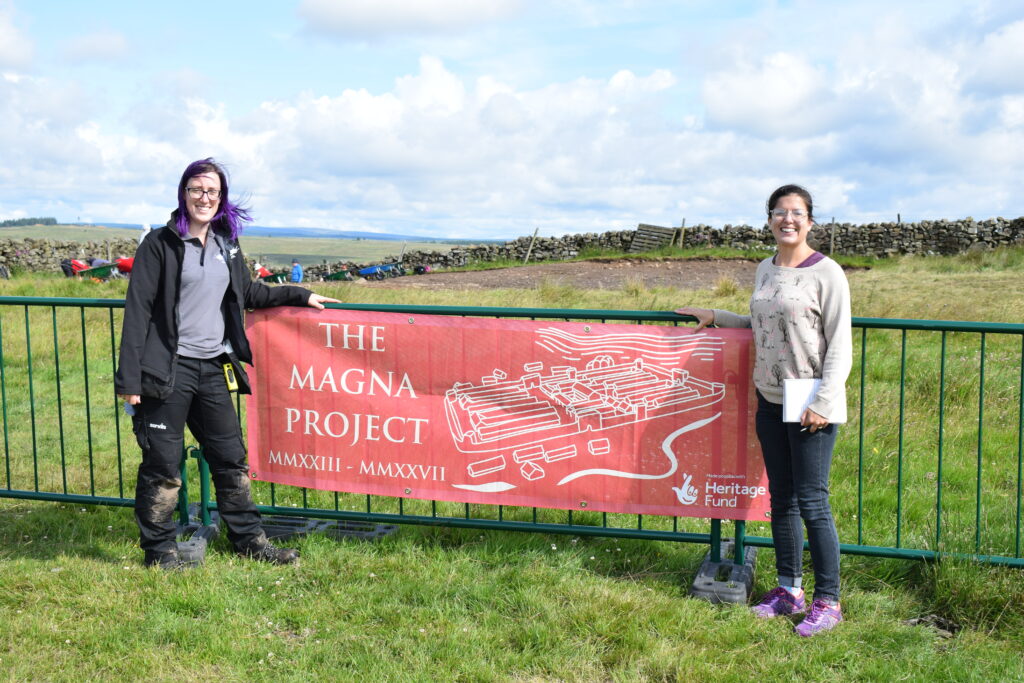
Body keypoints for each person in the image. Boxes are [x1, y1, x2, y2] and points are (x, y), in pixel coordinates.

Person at [115, 158, 340, 570]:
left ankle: (249, 540)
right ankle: (159, 550)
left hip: (214, 366)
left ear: (222, 199)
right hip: (167, 372)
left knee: (230, 458)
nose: (205, 198)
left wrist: (299, 294)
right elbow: (138, 312)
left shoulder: (226, 243)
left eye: (213, 191)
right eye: (197, 189)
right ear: (183, 194)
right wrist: (130, 381)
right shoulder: (160, 245)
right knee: (163, 465)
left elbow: (247, 292)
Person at [676, 184, 851, 637]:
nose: (787, 219)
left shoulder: (827, 273)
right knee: (782, 500)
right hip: (770, 398)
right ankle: (789, 591)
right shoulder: (764, 269)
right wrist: (717, 315)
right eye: (779, 212)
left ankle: (828, 601)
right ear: (769, 219)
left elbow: (841, 345)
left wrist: (824, 401)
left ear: (810, 221)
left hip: (810, 397)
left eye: (796, 212)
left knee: (813, 502)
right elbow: (759, 322)